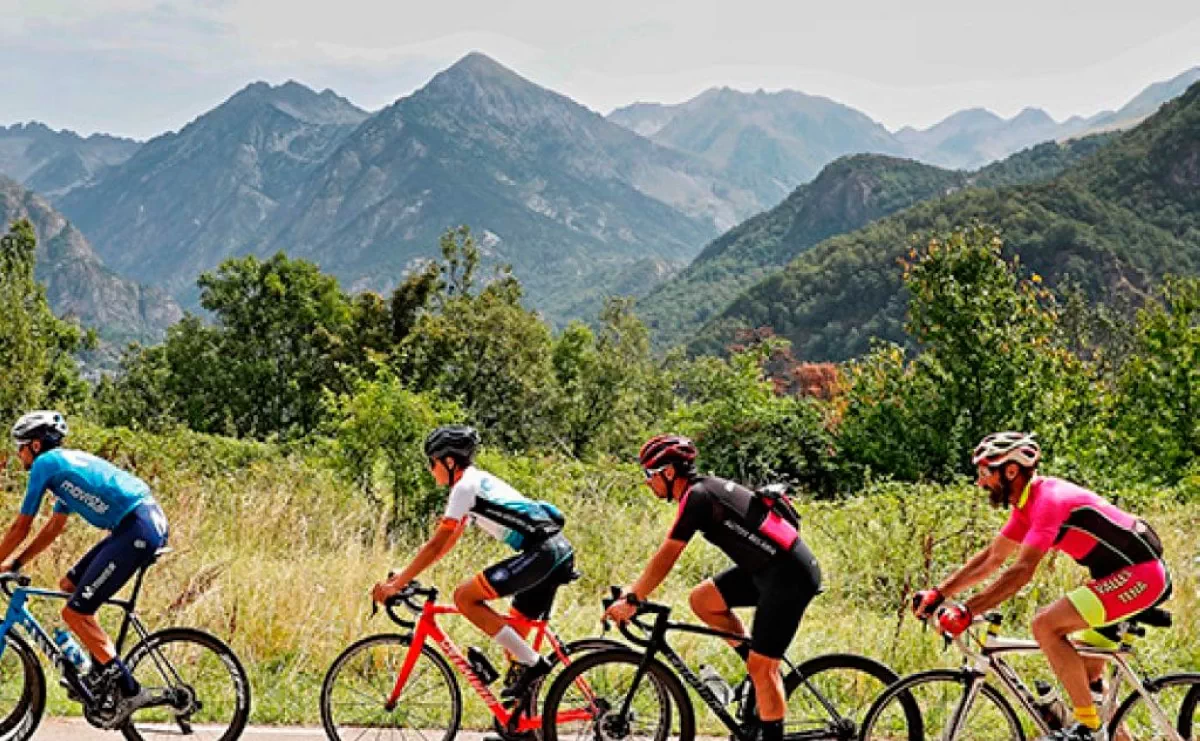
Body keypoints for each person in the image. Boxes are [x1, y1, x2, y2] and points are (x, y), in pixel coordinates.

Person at [913, 432, 1171, 741]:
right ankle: (1105, 730)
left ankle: (1089, 730)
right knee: (1088, 680)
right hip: (1118, 576)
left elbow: (1021, 572)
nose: (980, 482)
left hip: (1141, 576)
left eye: (985, 472)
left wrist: (968, 611)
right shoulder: (1027, 506)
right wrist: (941, 593)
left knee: (1046, 626)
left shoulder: (1049, 501)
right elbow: (993, 558)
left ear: (1011, 471)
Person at [605, 434, 822, 741]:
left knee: (764, 669)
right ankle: (756, 673)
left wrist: (633, 597)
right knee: (703, 600)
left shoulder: (698, 497)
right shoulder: (701, 491)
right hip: (766, 570)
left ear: (669, 473)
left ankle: (763, 680)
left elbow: (668, 554)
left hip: (789, 576)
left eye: (648, 475)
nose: (646, 482)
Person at [372, 425, 576, 703]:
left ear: (449, 461)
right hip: (553, 552)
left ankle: (535, 664)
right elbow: (444, 545)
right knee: (513, 642)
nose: (431, 470)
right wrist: (405, 576)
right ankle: (523, 727)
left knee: (464, 597)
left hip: (543, 554)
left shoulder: (464, 487)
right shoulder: (477, 482)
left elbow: (435, 543)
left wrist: (397, 584)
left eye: (432, 462)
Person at [0, 411, 169, 723]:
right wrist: (17, 562)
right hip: (135, 526)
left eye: (20, 446)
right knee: (68, 588)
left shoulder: (45, 465)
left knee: (75, 613)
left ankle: (130, 690)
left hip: (137, 528)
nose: (17, 454)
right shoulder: (64, 471)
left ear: (36, 445)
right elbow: (53, 528)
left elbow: (21, 527)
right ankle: (100, 672)